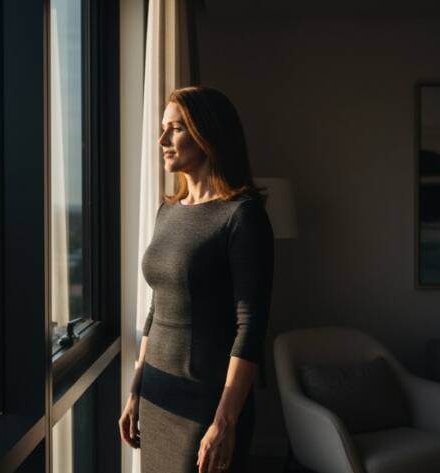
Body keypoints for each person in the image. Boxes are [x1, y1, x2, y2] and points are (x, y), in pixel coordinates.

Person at [119, 86, 274, 473]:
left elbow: (250, 328)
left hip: (208, 401)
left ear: (208, 135)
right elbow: (158, 307)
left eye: (175, 129)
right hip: (158, 395)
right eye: (162, 129)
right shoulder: (167, 212)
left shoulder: (242, 216)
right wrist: (137, 386)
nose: (162, 141)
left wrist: (225, 420)